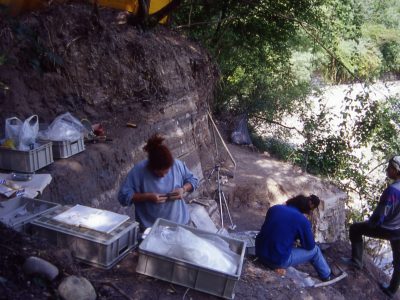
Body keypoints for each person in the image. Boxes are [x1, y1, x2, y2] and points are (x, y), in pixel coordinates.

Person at [345, 156, 400, 298]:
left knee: (355, 229)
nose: (387, 170)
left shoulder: (392, 191)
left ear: (396, 170)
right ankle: (391, 290)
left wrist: (370, 224)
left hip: (388, 229)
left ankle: (357, 262)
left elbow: (379, 216)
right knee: (399, 261)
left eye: (389, 168)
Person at [118, 134, 198, 229]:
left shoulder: (176, 165)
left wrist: (183, 189)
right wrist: (147, 197)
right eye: (159, 174)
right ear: (151, 167)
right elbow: (123, 197)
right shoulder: (139, 171)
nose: (164, 176)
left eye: (167, 172)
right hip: (152, 229)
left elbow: (193, 180)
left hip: (181, 224)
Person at [255, 194, 332, 281]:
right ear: (306, 209)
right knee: (316, 250)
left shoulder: (275, 208)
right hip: (276, 261)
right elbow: (310, 246)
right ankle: (326, 275)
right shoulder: (303, 221)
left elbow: (277, 231)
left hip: (259, 252)